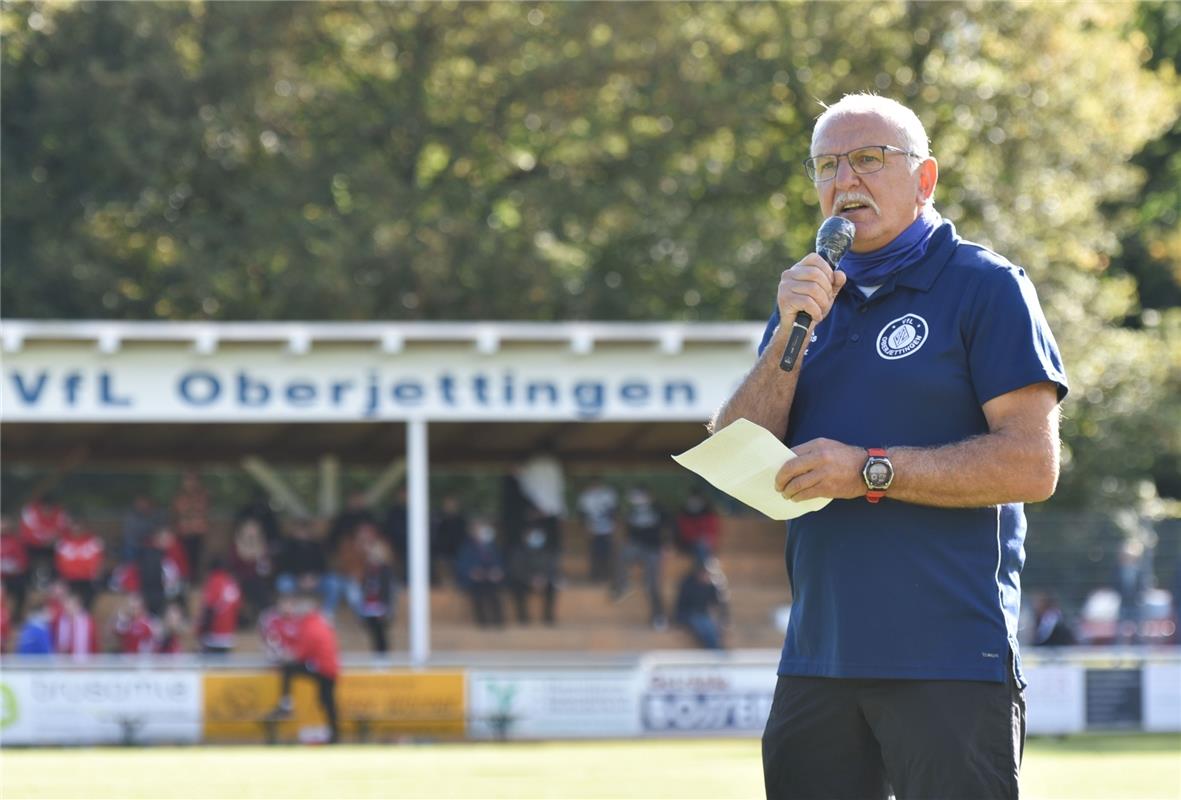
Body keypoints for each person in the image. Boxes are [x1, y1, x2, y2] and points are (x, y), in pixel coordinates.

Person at [710, 94, 1067, 800]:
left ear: (924, 178)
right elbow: (737, 451)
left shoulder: (986, 287)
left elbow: (1031, 464)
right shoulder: (807, 299)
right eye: (826, 166)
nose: (844, 181)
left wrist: (868, 469)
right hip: (817, 662)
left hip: (950, 660)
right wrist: (791, 327)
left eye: (869, 159)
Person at [264, 591, 341, 744]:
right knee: (326, 701)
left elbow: (301, 653)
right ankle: (334, 733)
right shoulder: (317, 621)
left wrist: (286, 656)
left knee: (289, 670)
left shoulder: (310, 625)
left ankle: (286, 704)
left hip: (323, 668)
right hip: (328, 667)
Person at [615, 486, 669, 630]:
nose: (638, 499)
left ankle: (659, 616)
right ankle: (622, 585)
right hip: (637, 547)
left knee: (652, 584)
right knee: (622, 553)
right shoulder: (631, 512)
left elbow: (668, 528)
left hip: (653, 549)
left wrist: (667, 545)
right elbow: (629, 533)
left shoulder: (659, 509)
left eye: (641, 496)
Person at [454, 518, 506, 627]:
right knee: (478, 594)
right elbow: (462, 564)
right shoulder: (467, 547)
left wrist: (497, 571)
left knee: (495, 594)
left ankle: (499, 622)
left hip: (490, 579)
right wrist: (472, 572)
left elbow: (499, 562)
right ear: (473, 532)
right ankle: (483, 623)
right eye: (479, 529)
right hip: (474, 581)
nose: (482, 532)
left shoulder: (492, 546)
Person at [674, 555, 730, 650]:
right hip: (687, 614)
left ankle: (716, 649)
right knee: (704, 623)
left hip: (703, 615)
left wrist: (720, 621)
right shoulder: (688, 584)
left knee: (710, 623)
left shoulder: (711, 585)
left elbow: (717, 604)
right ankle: (715, 650)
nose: (707, 575)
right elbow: (683, 606)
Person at [19, 494, 72, 586]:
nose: (47, 511)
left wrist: (53, 541)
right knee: (25, 557)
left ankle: (55, 582)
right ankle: (28, 581)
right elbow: (26, 533)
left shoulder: (60, 514)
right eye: (45, 508)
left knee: (62, 554)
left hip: (52, 546)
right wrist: (42, 541)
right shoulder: (31, 512)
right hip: (33, 545)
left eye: (50, 508)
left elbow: (64, 532)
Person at [54, 520, 105, 610]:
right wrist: (61, 578)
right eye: (74, 528)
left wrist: (97, 573)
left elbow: (100, 561)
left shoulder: (94, 541)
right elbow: (59, 563)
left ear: (85, 528)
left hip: (88, 578)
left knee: (89, 596)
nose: (77, 531)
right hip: (69, 578)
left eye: (79, 528)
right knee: (66, 597)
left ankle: (84, 617)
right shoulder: (63, 542)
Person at [357, 538, 396, 653]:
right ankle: (376, 654)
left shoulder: (386, 571)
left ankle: (383, 656)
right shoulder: (368, 570)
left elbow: (388, 591)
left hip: (381, 606)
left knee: (381, 633)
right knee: (372, 632)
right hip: (369, 606)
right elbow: (364, 587)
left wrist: (386, 607)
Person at [576, 477, 619, 583]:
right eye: (593, 484)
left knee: (607, 552)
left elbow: (614, 511)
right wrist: (585, 527)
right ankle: (595, 575)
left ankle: (608, 575)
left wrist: (614, 525)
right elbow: (581, 514)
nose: (595, 486)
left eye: (597, 484)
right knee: (594, 553)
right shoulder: (585, 496)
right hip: (592, 529)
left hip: (607, 529)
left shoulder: (608, 494)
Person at [198, 557, 243, 655]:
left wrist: (201, 630)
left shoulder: (214, 580)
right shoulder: (232, 582)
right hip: (228, 633)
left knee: (211, 666)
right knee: (223, 666)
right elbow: (238, 606)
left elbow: (209, 607)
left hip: (213, 633)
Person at [172, 470, 211, 581]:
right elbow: (177, 511)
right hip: (183, 532)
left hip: (198, 532)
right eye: (187, 480)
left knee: (196, 559)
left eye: (193, 480)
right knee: (182, 559)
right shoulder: (179, 495)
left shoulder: (202, 494)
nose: (190, 482)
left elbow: (202, 509)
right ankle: (183, 581)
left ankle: (195, 582)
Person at [430, 494, 468, 586]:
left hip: (458, 552)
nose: (450, 506)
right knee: (442, 568)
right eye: (448, 503)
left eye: (452, 504)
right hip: (442, 552)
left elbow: (462, 537)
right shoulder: (439, 518)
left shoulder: (461, 520)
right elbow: (436, 535)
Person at [674, 486, 721, 559]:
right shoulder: (684, 514)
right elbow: (684, 531)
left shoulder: (708, 513)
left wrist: (703, 537)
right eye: (693, 500)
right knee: (700, 546)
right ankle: (705, 566)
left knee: (702, 546)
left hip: (705, 542)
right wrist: (696, 537)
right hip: (688, 542)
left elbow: (712, 530)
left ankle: (704, 567)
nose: (695, 502)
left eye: (697, 500)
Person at [53, 590, 99, 659]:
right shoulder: (60, 621)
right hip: (64, 661)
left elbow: (94, 643)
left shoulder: (87, 622)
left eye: (70, 605)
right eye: (66, 604)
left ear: (78, 606)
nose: (67, 607)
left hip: (84, 661)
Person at [1, 515, 30, 622]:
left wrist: (14, 567)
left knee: (15, 594)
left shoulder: (15, 541)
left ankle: (11, 620)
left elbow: (22, 563)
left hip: (12, 577)